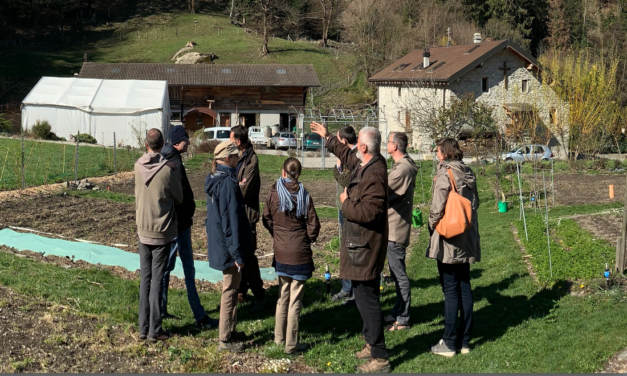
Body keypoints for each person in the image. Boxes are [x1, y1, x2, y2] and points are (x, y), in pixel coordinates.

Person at [310, 121, 391, 373]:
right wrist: (327, 138)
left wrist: (345, 203)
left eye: (358, 146)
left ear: (364, 147)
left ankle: (380, 356)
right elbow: (346, 154)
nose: (354, 149)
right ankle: (370, 342)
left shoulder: (374, 174)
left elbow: (370, 212)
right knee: (364, 296)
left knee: (368, 300)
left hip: (366, 245)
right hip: (359, 244)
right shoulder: (366, 164)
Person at [160, 125, 218, 329]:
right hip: (180, 224)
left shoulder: (165, 158)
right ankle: (200, 316)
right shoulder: (174, 163)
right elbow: (179, 195)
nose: (189, 142)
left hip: (171, 224)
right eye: (186, 139)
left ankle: (160, 309)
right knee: (189, 270)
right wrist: (189, 210)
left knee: (166, 268)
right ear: (177, 141)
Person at [427, 138, 480, 357]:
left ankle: (448, 342)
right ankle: (465, 341)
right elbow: (474, 203)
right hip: (466, 234)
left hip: (449, 237)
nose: (436, 154)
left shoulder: (445, 173)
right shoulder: (468, 171)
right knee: (465, 286)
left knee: (450, 290)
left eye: (438, 151)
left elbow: (437, 206)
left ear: (445, 153)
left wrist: (432, 225)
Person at [262, 157, 321, 355]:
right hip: (300, 253)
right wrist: (308, 238)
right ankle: (291, 345)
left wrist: (277, 233)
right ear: (299, 173)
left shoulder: (273, 194)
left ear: (284, 172)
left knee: (282, 297)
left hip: (281, 251)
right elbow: (314, 224)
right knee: (295, 301)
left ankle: (279, 339)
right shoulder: (304, 195)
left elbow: (266, 218)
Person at [135, 128, 183, 342]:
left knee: (145, 279)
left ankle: (143, 328)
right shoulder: (168, 170)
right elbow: (179, 198)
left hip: (142, 230)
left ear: (146, 144)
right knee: (157, 281)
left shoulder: (137, 166)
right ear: (163, 144)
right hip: (162, 231)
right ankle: (155, 329)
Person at [205, 141, 251, 353]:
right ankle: (225, 338)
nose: (237, 159)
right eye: (235, 157)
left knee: (232, 288)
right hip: (229, 247)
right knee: (230, 290)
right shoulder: (227, 184)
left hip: (220, 243)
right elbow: (230, 221)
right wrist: (237, 253)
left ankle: (231, 330)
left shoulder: (214, 178)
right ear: (227, 159)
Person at [230, 125, 265, 313]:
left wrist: (235, 184)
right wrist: (236, 182)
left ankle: (260, 295)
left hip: (247, 214)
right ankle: (242, 290)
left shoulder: (251, 159)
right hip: (238, 213)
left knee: (249, 256)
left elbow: (244, 189)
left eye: (230, 140)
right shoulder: (238, 156)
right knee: (240, 254)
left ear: (238, 141)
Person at [385, 132, 418, 331]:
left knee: (399, 275)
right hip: (393, 226)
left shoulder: (402, 169)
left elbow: (383, 192)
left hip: (395, 228)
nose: (386, 144)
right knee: (395, 273)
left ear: (395, 146)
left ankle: (404, 317)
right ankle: (398, 310)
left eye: (388, 142)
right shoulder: (402, 166)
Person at [331, 125, 357, 306]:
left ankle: (355, 291)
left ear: (344, 142)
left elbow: (345, 180)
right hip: (344, 207)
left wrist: (338, 167)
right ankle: (346, 287)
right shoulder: (346, 156)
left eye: (338, 141)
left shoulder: (354, 158)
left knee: (353, 249)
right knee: (345, 249)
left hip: (352, 208)